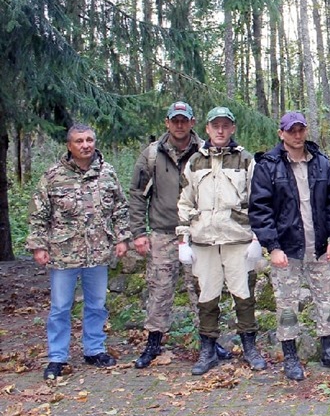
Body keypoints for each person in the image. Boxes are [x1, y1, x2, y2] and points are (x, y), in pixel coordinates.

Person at [129, 102, 234, 368]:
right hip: (163, 233)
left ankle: (208, 342)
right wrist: (139, 233)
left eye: (183, 120)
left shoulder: (205, 152)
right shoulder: (152, 154)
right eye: (174, 120)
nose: (179, 125)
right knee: (159, 289)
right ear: (167, 122)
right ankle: (153, 342)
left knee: (202, 289)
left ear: (192, 122)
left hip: (198, 233)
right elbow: (138, 195)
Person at [249, 111, 330, 381]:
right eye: (291, 130)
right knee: (287, 306)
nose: (296, 134)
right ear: (281, 133)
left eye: (300, 129)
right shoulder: (268, 166)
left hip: (318, 247)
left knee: (329, 301)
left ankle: (328, 351)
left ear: (306, 131)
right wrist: (273, 247)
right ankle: (290, 358)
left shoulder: (322, 163)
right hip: (287, 249)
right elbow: (260, 210)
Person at [27, 124, 131, 380]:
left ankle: (94, 349)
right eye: (79, 141)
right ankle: (57, 357)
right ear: (69, 145)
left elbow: (120, 208)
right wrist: (39, 245)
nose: (85, 145)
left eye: (89, 140)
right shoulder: (53, 175)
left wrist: (122, 238)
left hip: (98, 252)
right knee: (60, 307)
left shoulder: (107, 173)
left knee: (97, 305)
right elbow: (39, 214)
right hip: (64, 254)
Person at [176, 107, 266, 375]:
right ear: (207, 129)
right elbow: (184, 201)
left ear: (232, 128)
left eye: (225, 126)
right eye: (215, 126)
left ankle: (250, 347)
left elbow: (259, 200)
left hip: (238, 239)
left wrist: (257, 237)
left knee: (244, 295)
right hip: (204, 240)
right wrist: (183, 239)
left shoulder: (246, 160)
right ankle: (208, 350)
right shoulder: (194, 162)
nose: (220, 131)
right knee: (207, 297)